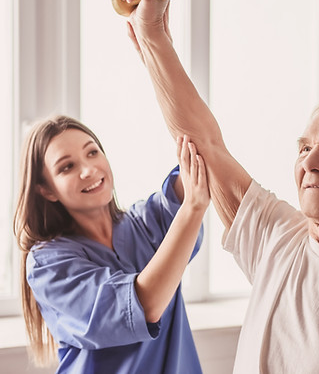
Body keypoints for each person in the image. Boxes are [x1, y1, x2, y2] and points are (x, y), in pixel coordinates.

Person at [122, 0, 319, 373]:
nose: (310, 162)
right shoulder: (278, 239)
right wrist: (153, 36)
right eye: (305, 147)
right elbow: (203, 144)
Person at [14, 115, 210, 374]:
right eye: (67, 167)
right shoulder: (48, 266)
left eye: (92, 152)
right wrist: (193, 208)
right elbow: (146, 305)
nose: (88, 170)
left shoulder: (147, 222)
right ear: (46, 190)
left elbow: (202, 151)